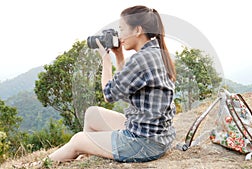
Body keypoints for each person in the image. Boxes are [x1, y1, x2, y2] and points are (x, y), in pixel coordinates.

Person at [38, 5, 176, 165]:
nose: (120, 35)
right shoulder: (155, 52)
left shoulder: (141, 59)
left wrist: (105, 58)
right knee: (92, 114)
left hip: (143, 143)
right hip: (157, 136)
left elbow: (109, 94)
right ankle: (88, 152)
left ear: (138, 30)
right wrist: (119, 56)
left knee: (77, 140)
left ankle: (41, 164)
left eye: (122, 29)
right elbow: (125, 88)